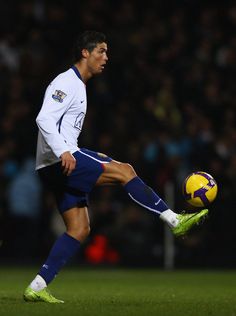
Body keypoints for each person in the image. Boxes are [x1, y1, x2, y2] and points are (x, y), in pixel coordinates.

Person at [23, 31, 208, 303]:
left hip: (53, 164)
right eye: (101, 51)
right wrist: (64, 150)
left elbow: (66, 133)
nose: (106, 57)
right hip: (57, 160)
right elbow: (44, 119)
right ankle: (174, 220)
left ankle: (37, 286)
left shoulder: (79, 85)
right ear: (85, 53)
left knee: (79, 228)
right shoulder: (66, 82)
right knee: (126, 171)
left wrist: (83, 151)